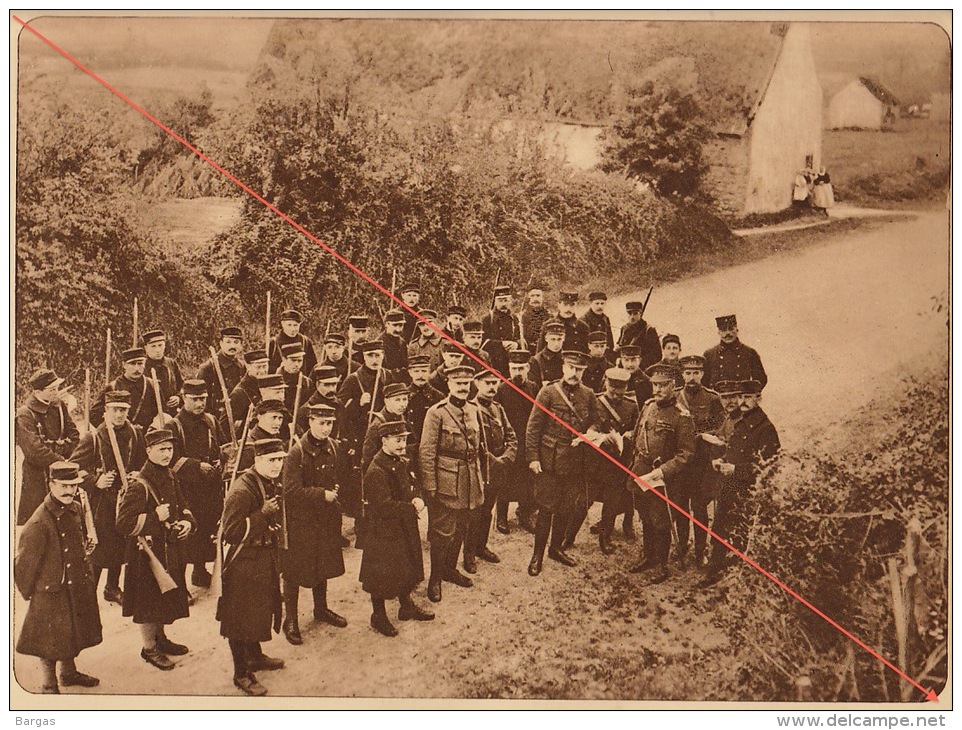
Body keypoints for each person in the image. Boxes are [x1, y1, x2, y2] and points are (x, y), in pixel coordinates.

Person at [15, 462, 102, 694]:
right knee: (49, 642)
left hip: (73, 584)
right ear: (50, 484)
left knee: (72, 633)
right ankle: (48, 684)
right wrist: (34, 594)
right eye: (63, 485)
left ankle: (68, 673)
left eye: (73, 486)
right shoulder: (38, 522)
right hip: (51, 591)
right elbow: (22, 567)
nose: (69, 491)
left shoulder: (74, 507)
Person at [116, 427, 195, 671]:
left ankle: (161, 640)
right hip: (146, 556)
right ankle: (149, 648)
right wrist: (154, 517)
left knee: (164, 599)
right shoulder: (139, 485)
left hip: (168, 550)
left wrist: (186, 522)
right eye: (161, 449)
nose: (167, 454)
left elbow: (183, 505)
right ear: (148, 450)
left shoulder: (169, 475)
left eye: (170, 449)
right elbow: (123, 524)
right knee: (148, 602)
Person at [216, 438, 287, 697]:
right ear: (257, 461)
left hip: (261, 556)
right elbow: (231, 532)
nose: (277, 465)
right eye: (271, 460)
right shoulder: (242, 490)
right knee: (239, 618)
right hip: (242, 562)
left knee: (259, 609)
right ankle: (241, 673)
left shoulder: (265, 481)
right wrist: (262, 515)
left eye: (280, 459)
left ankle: (255, 656)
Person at [525, 351, 602, 576]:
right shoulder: (548, 392)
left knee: (566, 508)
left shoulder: (588, 394)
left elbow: (595, 422)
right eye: (571, 368)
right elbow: (534, 427)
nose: (574, 373)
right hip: (550, 461)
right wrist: (533, 457)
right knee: (546, 508)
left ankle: (555, 549)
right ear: (563, 368)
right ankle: (537, 554)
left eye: (579, 370)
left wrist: (589, 432)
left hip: (576, 462)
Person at [280, 404, 349, 645]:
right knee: (295, 571)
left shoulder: (333, 446)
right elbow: (290, 492)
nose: (325, 428)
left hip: (326, 518)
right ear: (310, 422)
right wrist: (322, 494)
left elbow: (338, 475)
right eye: (321, 423)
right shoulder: (296, 452)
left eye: (329, 423)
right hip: (302, 521)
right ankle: (290, 620)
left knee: (323, 564)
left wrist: (335, 490)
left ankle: (321, 609)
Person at [701, 380, 780, 587]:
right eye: (741, 397)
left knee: (741, 535)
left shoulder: (765, 428)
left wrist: (736, 469)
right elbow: (734, 451)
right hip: (729, 486)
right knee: (719, 529)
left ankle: (739, 578)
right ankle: (714, 572)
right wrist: (722, 460)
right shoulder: (741, 421)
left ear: (758, 398)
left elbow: (770, 467)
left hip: (748, 492)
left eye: (748, 397)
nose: (742, 402)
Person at [72, 389, 147, 605]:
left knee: (121, 543)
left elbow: (142, 462)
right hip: (101, 503)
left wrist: (137, 474)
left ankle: (112, 587)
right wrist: (95, 480)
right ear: (106, 411)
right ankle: (89, 593)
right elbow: (74, 468)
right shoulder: (94, 438)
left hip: (125, 499)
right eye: (114, 410)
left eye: (123, 410)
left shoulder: (134, 433)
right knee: (99, 547)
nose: (119, 415)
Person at [359, 420, 434, 636]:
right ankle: (378, 616)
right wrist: (412, 507)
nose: (402, 444)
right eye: (397, 440)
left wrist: (418, 496)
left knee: (407, 565)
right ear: (384, 441)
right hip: (384, 531)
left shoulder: (400, 461)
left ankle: (406, 605)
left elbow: (412, 484)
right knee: (380, 577)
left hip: (402, 526)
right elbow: (383, 506)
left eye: (404, 439)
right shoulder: (376, 470)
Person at [419, 364, 484, 603]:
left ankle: (450, 569)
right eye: (458, 384)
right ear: (448, 384)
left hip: (470, 479)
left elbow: (480, 448)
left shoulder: (474, 410)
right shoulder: (436, 412)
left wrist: (481, 478)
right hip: (446, 479)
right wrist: (430, 485)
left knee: (462, 528)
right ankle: (435, 578)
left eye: (466, 384)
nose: (462, 388)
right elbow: (426, 451)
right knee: (443, 531)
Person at [627, 363, 696, 585]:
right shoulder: (647, 406)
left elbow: (685, 454)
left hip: (664, 477)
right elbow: (638, 436)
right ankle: (649, 556)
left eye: (662, 385)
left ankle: (663, 564)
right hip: (641, 471)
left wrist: (663, 471)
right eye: (654, 385)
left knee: (661, 521)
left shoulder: (681, 416)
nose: (657, 389)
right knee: (645, 515)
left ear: (674, 386)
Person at [573, 367, 638, 556]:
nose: (616, 395)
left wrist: (628, 435)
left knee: (611, 505)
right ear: (606, 384)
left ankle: (605, 537)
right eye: (612, 389)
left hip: (618, 463)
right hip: (596, 462)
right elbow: (587, 426)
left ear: (626, 388)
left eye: (620, 390)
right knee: (583, 501)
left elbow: (638, 429)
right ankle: (568, 537)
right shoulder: (596, 402)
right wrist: (599, 434)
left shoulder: (632, 406)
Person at [171, 379, 225, 589]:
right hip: (186, 491)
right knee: (186, 536)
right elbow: (170, 459)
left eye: (203, 399)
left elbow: (224, 445)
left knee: (206, 529)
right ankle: (181, 584)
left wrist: (222, 459)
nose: (199, 404)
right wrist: (196, 466)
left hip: (210, 489)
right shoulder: (174, 425)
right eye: (194, 399)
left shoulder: (211, 420)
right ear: (184, 398)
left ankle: (199, 571)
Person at [672, 355, 725, 565]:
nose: (691, 377)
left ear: (702, 374)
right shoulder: (675, 397)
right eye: (687, 373)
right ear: (682, 374)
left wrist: (701, 435)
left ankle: (700, 549)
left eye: (696, 373)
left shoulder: (712, 399)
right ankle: (682, 544)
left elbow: (720, 427)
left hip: (701, 463)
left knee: (700, 507)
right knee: (680, 506)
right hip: (681, 461)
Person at [463, 368, 517, 573]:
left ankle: (481, 547)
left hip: (497, 469)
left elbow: (511, 436)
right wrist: (491, 460)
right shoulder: (469, 409)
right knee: (474, 513)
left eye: (495, 383)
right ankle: (468, 555)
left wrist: (506, 458)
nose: (493, 387)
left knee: (487, 511)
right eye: (488, 383)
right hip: (478, 470)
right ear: (477, 384)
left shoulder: (498, 408)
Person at [16, 368, 80, 526]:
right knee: (39, 525)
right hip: (38, 479)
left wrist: (57, 449)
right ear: (38, 392)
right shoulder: (25, 414)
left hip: (64, 477)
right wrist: (63, 460)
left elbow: (75, 436)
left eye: (57, 388)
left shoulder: (59, 407)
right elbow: (35, 452)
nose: (56, 393)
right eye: (52, 389)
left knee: (67, 522)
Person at [495, 349, 540, 534]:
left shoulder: (534, 388)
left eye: (521, 368)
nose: (517, 372)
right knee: (504, 479)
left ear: (528, 368)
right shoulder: (501, 389)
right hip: (509, 442)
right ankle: (502, 517)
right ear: (508, 368)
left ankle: (525, 514)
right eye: (514, 368)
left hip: (528, 441)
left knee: (527, 480)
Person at [196, 326, 245, 430]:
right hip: (216, 419)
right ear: (221, 343)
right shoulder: (209, 368)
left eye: (236, 342)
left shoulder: (242, 366)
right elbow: (200, 398)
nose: (232, 346)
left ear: (241, 345)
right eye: (228, 342)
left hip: (238, 419)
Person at [90, 348, 152, 429]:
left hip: (148, 437)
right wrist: (113, 428)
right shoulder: (113, 386)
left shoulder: (151, 385)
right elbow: (94, 415)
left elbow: (163, 412)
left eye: (140, 364)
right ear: (124, 365)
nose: (137, 368)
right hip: (122, 437)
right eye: (132, 364)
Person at [702, 315, 768, 391]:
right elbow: (704, 382)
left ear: (737, 330)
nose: (728, 333)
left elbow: (761, 379)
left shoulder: (750, 352)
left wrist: (748, 395)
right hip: (717, 400)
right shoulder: (709, 354)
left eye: (731, 329)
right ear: (719, 332)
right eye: (723, 330)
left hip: (740, 399)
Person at [361, 382, 413, 471]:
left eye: (405, 399)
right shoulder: (377, 425)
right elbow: (367, 460)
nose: (402, 404)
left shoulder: (402, 418)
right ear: (386, 401)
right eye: (397, 400)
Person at [142, 329, 185, 421]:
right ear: (146, 348)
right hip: (150, 416)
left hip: (172, 414)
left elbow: (182, 386)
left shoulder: (171, 363)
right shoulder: (141, 367)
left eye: (160, 345)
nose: (157, 350)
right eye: (153, 346)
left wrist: (178, 397)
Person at [227, 349, 271, 437]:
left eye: (265, 366)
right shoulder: (240, 392)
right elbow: (226, 424)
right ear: (248, 367)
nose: (262, 371)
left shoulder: (268, 385)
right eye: (258, 367)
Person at [481, 285, 521, 377]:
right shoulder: (487, 319)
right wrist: (501, 344)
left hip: (512, 363)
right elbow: (482, 343)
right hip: (494, 363)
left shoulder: (515, 318)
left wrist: (516, 344)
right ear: (495, 301)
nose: (503, 304)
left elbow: (521, 339)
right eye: (500, 300)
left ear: (510, 301)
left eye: (506, 300)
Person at [295, 364, 343, 438]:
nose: (331, 389)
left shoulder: (339, 404)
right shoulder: (306, 410)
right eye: (326, 385)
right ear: (317, 385)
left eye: (334, 384)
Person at [268, 310, 318, 375]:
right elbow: (265, 369)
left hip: (300, 382)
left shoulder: (305, 341)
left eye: (295, 325)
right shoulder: (273, 343)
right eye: (289, 325)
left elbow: (312, 368)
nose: (293, 329)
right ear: (282, 324)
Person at [617, 301, 661, 370]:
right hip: (625, 369)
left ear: (640, 314)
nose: (632, 317)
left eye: (635, 314)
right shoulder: (624, 329)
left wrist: (637, 364)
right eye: (629, 313)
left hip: (642, 370)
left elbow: (657, 355)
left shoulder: (649, 330)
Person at [528, 321, 565, 389]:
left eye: (559, 339)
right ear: (546, 338)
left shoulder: (567, 359)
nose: (556, 343)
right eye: (553, 339)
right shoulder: (535, 361)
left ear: (564, 338)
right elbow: (533, 388)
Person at [520, 284, 550, 352]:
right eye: (532, 296)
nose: (535, 299)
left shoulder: (549, 317)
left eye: (538, 296)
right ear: (529, 298)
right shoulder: (522, 317)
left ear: (543, 298)